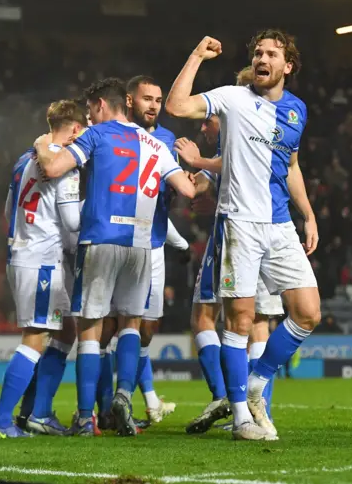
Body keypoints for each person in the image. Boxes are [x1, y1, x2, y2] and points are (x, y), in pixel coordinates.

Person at [166, 30, 321, 441]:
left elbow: (290, 167)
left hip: (280, 223)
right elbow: (177, 104)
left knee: (308, 312)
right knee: (240, 320)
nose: (261, 58)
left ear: (288, 65)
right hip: (239, 223)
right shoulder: (233, 98)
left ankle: (255, 386)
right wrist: (197, 55)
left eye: (271, 53)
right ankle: (241, 419)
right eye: (257, 52)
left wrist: (307, 214)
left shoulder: (296, 111)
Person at [35, 78, 195, 436]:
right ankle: (124, 395)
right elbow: (186, 188)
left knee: (90, 330)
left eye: (91, 110)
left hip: (101, 239)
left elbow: (53, 168)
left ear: (102, 106)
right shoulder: (155, 142)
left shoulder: (98, 134)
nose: (89, 117)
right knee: (131, 325)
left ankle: (84, 417)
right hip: (140, 245)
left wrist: (44, 145)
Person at [182, 67, 283, 435]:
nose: (206, 126)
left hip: (240, 227)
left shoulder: (240, 124)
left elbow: (221, 169)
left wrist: (196, 167)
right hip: (275, 227)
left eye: (209, 119)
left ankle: (227, 398)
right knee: (258, 323)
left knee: (206, 316)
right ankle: (260, 413)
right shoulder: (278, 121)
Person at [0, 100, 85, 439]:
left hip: (23, 252)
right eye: (83, 130)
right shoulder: (65, 166)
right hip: (42, 259)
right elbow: (72, 222)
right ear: (75, 128)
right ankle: (1, 421)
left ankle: (36, 412)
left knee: (65, 331)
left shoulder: (21, 161)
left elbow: (7, 210)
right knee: (34, 337)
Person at [96, 75, 188, 430]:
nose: (154, 105)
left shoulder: (165, 140)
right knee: (106, 329)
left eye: (159, 99)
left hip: (151, 246)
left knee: (144, 330)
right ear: (130, 101)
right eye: (147, 99)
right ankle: (103, 408)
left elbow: (176, 193)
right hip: (112, 240)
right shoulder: (109, 132)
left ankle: (131, 402)